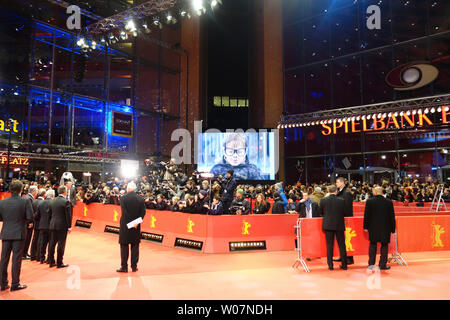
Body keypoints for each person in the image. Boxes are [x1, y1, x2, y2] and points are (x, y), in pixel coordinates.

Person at [0, 180, 33, 291]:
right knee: (16, 259)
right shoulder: (25, 201)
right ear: (21, 189)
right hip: (19, 233)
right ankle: (15, 284)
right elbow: (30, 217)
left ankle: (2, 283)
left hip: (6, 232)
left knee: (3, 259)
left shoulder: (2, 202)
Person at [364, 187, 396, 270]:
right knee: (384, 245)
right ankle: (382, 265)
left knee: (372, 245)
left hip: (373, 227)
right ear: (382, 192)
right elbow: (392, 216)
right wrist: (393, 228)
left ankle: (371, 264)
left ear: (375, 192)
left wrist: (365, 226)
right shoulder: (388, 202)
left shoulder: (370, 201)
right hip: (385, 227)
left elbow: (366, 215)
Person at [117, 182, 146, 273]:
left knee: (124, 246)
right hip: (136, 226)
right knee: (135, 246)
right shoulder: (140, 199)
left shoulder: (123, 198)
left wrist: (130, 223)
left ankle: (124, 267)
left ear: (128, 189)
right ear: (135, 189)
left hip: (125, 225)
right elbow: (143, 212)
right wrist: (135, 222)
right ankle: (134, 267)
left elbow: (124, 213)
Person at [319, 185, 347, 271]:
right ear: (336, 191)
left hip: (328, 224)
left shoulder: (323, 200)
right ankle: (344, 265)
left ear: (328, 191)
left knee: (329, 245)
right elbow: (344, 212)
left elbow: (321, 212)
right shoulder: (341, 200)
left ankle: (330, 265)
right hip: (339, 224)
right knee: (342, 245)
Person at [47, 186, 72, 268]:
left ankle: (51, 261)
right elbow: (68, 216)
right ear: (64, 192)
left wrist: (51, 222)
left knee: (52, 244)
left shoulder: (52, 201)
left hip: (52, 224)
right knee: (61, 244)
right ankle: (59, 262)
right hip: (62, 226)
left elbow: (49, 213)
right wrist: (69, 227)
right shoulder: (66, 202)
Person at [335, 177, 354, 265]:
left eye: (338, 182)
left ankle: (349, 258)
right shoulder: (340, 192)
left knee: (347, 239)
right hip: (340, 218)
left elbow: (348, 207)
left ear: (342, 183)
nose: (336, 184)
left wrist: (346, 217)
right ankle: (343, 256)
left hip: (346, 218)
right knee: (342, 239)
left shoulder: (346, 193)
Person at [36, 189, 54, 264]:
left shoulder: (41, 203)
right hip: (51, 225)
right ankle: (49, 259)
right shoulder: (53, 203)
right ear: (53, 195)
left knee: (43, 243)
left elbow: (37, 215)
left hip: (42, 225)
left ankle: (41, 258)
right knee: (51, 243)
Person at [30, 188, 46, 261]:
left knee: (34, 239)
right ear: (44, 194)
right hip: (42, 223)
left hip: (35, 222)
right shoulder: (43, 203)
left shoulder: (34, 202)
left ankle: (32, 254)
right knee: (40, 240)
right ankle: (38, 256)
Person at [23, 185, 38, 260]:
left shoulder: (26, 197)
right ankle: (24, 253)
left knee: (26, 238)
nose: (37, 192)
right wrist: (30, 222)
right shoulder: (29, 199)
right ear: (34, 191)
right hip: (28, 222)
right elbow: (30, 211)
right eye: (37, 191)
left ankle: (24, 253)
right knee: (27, 238)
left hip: (25, 222)